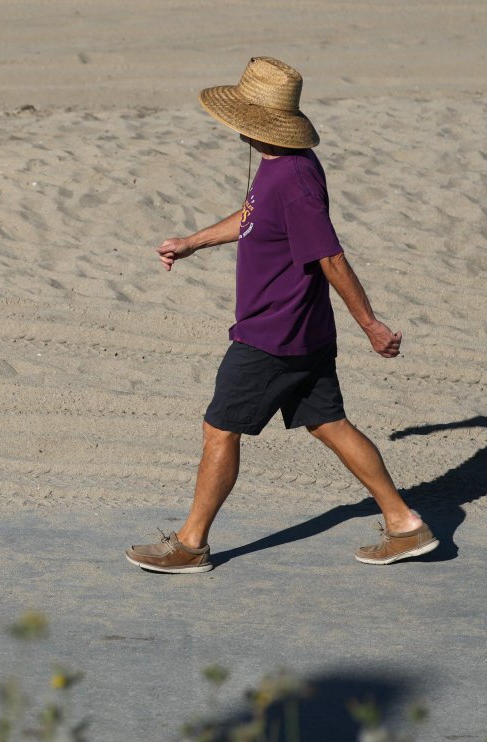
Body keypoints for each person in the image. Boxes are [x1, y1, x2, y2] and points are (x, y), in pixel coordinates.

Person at [125, 56, 437, 573]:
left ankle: (190, 544)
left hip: (273, 333)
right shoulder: (282, 166)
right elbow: (252, 219)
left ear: (251, 123)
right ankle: (404, 523)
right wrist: (193, 242)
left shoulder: (292, 179)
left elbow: (331, 258)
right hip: (305, 330)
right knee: (330, 424)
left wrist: (372, 326)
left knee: (219, 430)